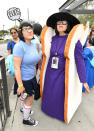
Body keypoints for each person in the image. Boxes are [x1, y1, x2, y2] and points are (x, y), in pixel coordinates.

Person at [40, 12, 90, 123]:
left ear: (68, 26)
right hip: (50, 73)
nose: (60, 24)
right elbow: (46, 56)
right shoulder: (52, 39)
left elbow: (79, 60)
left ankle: (59, 114)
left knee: (60, 96)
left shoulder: (73, 41)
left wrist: (84, 80)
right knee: (50, 94)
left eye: (63, 22)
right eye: (58, 22)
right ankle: (48, 110)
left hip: (63, 74)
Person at [13, 22, 41, 126]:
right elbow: (16, 67)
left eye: (30, 28)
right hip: (24, 79)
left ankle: (22, 108)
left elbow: (35, 60)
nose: (29, 30)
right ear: (21, 32)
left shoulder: (33, 44)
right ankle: (26, 119)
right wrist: (20, 85)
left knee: (25, 96)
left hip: (31, 77)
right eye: (25, 29)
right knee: (30, 99)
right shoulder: (19, 46)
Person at [7, 28, 19, 95]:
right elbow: (9, 55)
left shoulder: (21, 41)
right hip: (14, 62)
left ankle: (22, 89)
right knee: (16, 77)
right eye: (12, 33)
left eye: (15, 32)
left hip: (23, 62)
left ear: (17, 33)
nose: (13, 34)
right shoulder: (10, 43)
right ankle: (16, 90)